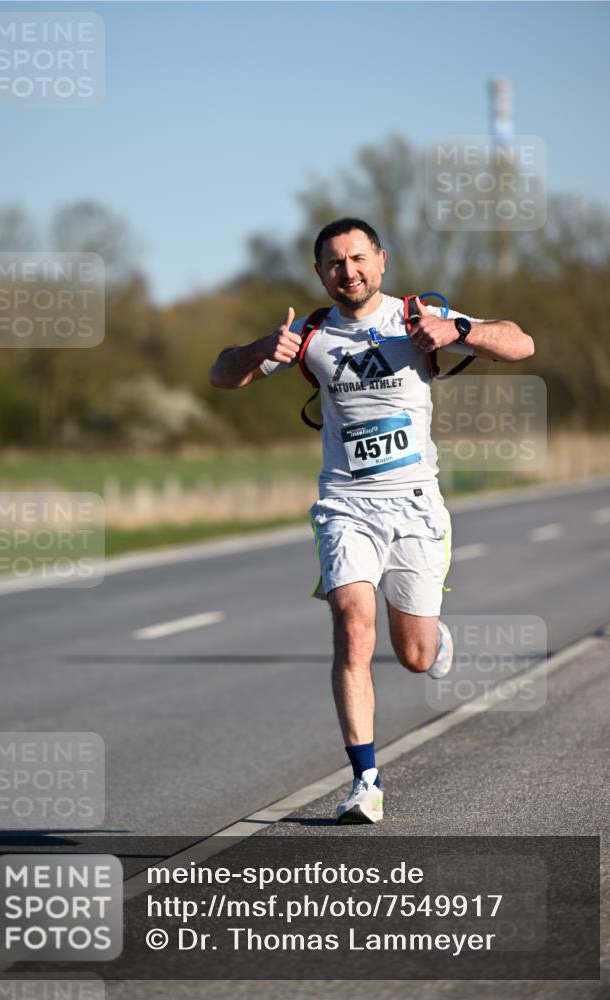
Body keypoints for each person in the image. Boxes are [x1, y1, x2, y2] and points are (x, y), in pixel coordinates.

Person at [210, 217, 535, 824]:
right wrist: (261, 351)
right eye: (335, 263)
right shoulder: (309, 334)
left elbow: (521, 343)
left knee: (413, 655)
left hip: (414, 502)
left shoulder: (419, 316)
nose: (348, 272)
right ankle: (365, 782)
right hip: (345, 504)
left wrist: (458, 327)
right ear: (319, 273)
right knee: (354, 629)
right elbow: (221, 373)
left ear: (381, 261)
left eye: (358, 259)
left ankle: (434, 639)